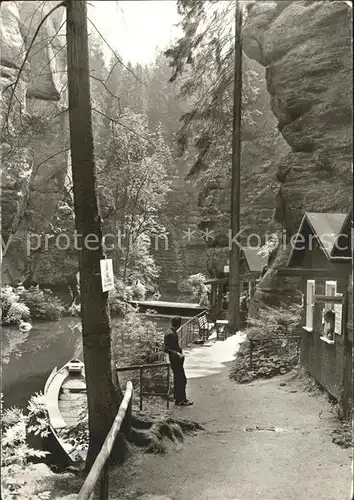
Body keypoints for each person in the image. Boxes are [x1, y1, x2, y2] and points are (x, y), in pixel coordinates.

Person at [164, 316, 193, 406]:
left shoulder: (171, 332)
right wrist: (178, 353)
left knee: (179, 379)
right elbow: (167, 348)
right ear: (178, 325)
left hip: (176, 359)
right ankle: (181, 399)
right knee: (181, 379)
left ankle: (179, 399)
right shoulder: (170, 334)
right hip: (175, 360)